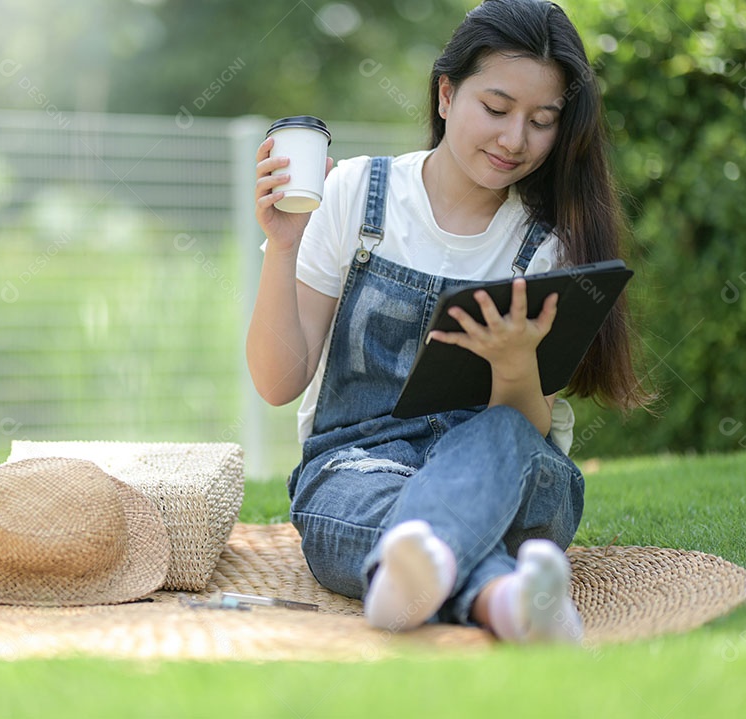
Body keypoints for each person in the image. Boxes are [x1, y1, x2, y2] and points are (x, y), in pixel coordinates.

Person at [248, 0, 650, 643]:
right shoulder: (355, 194)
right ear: (445, 93)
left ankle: (414, 571)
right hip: (360, 475)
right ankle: (503, 600)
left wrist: (516, 364)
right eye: (496, 109)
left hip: (508, 477)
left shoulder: (543, 249)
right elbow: (276, 383)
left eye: (542, 121)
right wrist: (286, 244)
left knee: (505, 442)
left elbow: (524, 433)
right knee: (370, 507)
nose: (515, 140)